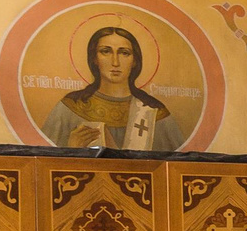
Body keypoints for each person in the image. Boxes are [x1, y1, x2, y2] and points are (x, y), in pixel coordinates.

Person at [42, 25, 186, 151]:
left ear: (135, 60)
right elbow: (42, 160)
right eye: (106, 51)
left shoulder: (154, 112)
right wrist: (72, 149)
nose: (115, 62)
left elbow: (180, 163)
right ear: (94, 58)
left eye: (124, 53)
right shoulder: (69, 107)